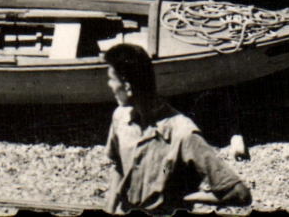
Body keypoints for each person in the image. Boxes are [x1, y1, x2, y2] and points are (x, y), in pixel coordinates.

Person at [103, 43, 251, 214]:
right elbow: (120, 167)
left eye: (111, 79)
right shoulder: (120, 118)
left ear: (127, 87)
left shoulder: (182, 133)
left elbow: (239, 194)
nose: (109, 85)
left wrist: (186, 199)